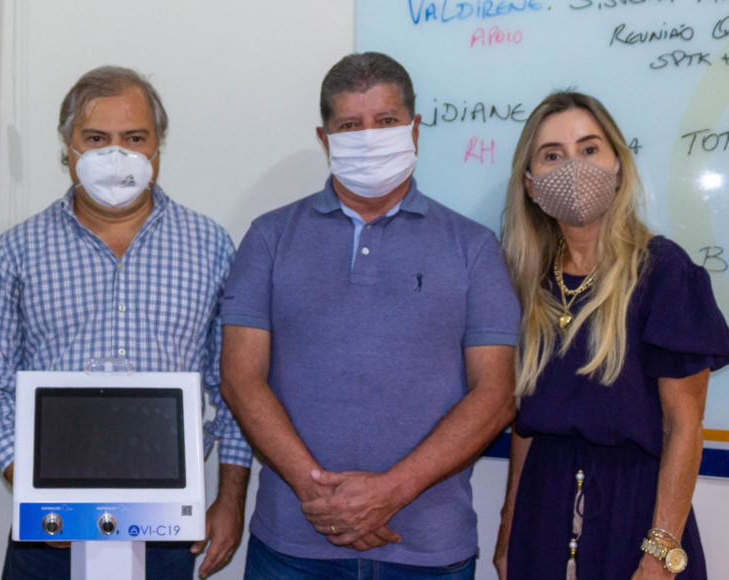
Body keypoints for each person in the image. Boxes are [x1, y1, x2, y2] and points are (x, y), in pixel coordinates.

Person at [219, 51, 520, 579]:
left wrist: (388, 493)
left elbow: (496, 394)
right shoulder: (269, 238)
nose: (369, 138)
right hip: (293, 547)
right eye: (350, 126)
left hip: (429, 551)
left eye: (385, 121)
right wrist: (326, 499)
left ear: (415, 129)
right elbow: (240, 379)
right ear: (324, 138)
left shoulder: (473, 248)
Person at [0, 65, 253, 579]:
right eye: (96, 138)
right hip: (47, 534)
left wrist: (229, 500)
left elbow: (235, 386)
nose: (116, 155)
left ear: (157, 146)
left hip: (165, 528)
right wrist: (30, 483)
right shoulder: (19, 250)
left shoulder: (210, 247)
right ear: (68, 147)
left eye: (134, 138)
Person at [493, 91, 729, 579]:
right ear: (531, 184)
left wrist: (660, 555)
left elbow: (683, 428)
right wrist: (509, 527)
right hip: (542, 513)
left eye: (589, 148)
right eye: (552, 155)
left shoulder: (664, 272)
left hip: (635, 514)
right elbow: (526, 426)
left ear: (618, 165)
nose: (573, 167)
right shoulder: (527, 281)